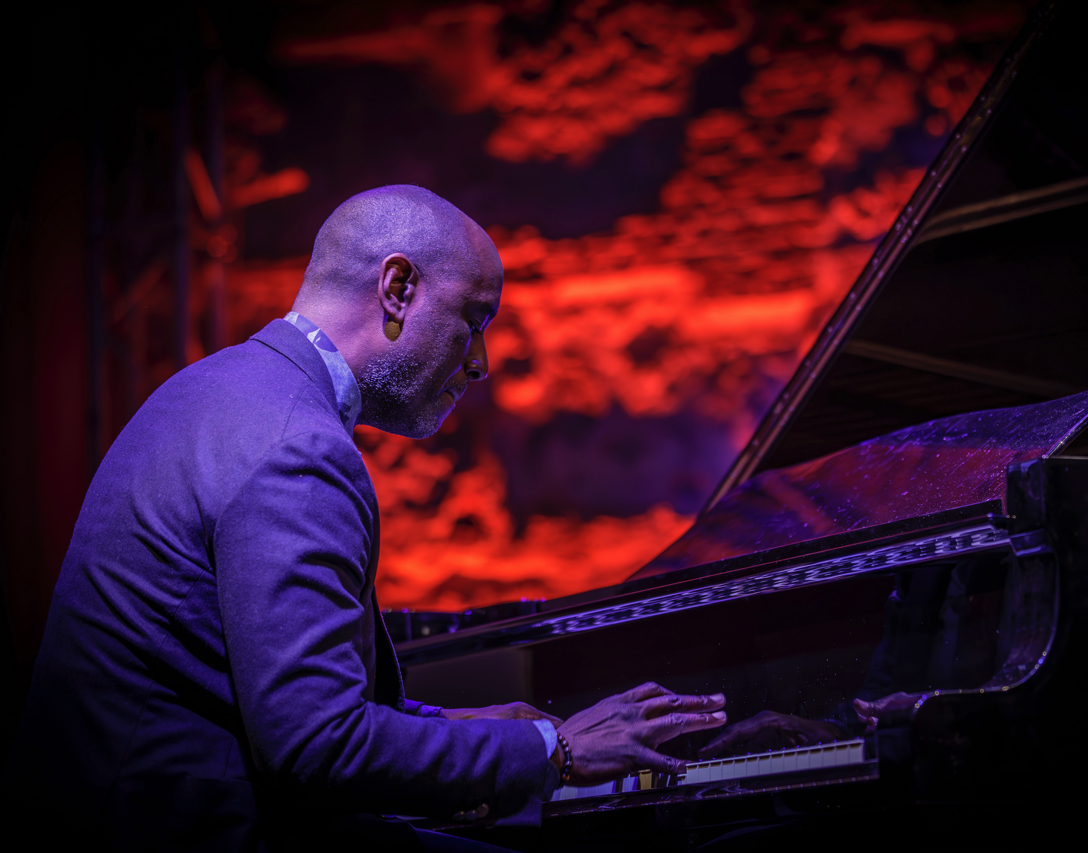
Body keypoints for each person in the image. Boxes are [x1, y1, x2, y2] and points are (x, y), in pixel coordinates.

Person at [3, 186, 726, 849]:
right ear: (398, 287)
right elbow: (316, 748)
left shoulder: (216, 386)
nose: (480, 362)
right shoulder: (299, 446)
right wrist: (556, 751)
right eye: (474, 321)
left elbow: (272, 706)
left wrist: (468, 729)